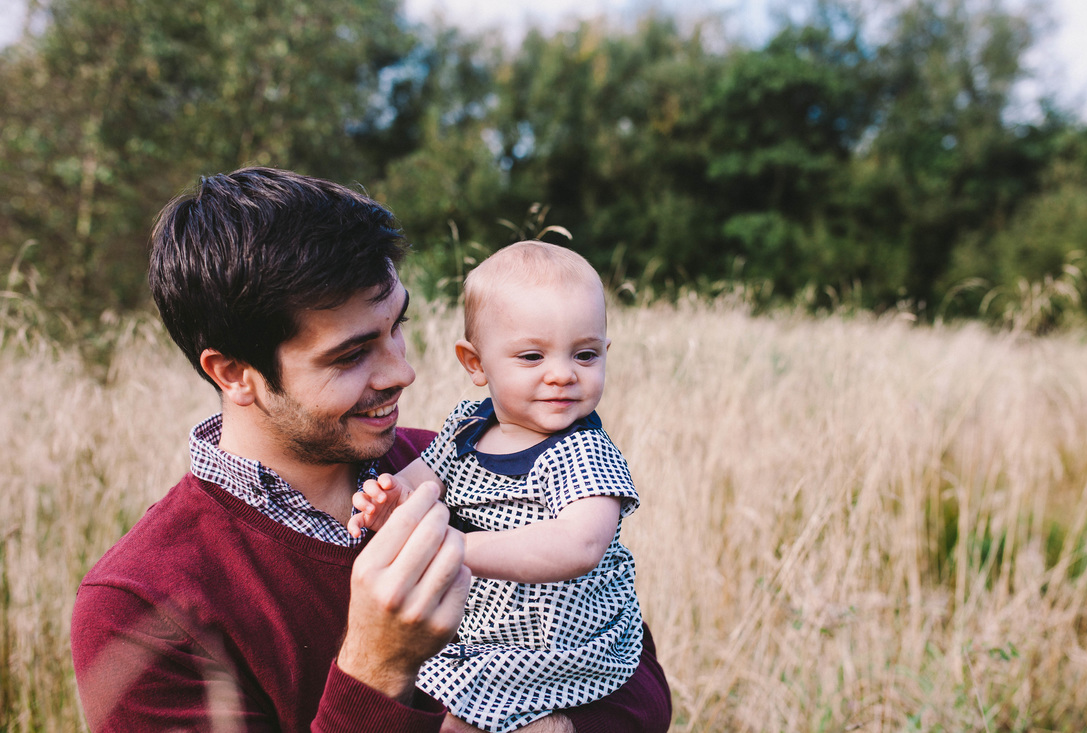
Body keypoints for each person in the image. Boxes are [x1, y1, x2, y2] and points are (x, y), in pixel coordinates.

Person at [69, 167, 672, 732]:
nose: (402, 373)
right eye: (351, 354)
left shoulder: (453, 460)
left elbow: (637, 678)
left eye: (397, 325)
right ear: (234, 373)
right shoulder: (140, 610)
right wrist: (376, 669)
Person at [347, 241, 642, 732]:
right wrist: (388, 500)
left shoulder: (583, 451)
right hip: (483, 635)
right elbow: (421, 481)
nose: (563, 374)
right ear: (476, 364)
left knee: (463, 722)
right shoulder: (469, 425)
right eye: (532, 356)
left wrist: (457, 546)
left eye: (586, 355)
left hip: (555, 643)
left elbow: (579, 544)